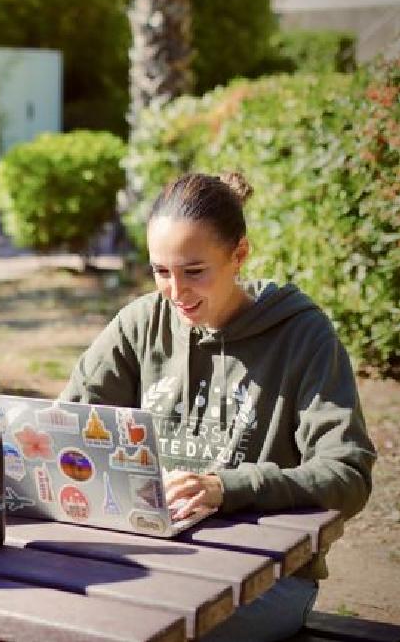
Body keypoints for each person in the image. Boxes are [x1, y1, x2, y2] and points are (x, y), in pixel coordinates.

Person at [61, 172, 376, 642]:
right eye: (161, 271)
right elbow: (66, 429)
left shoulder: (303, 335)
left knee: (135, 627)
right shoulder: (141, 324)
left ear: (239, 254)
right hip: (151, 556)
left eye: (194, 271)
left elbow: (347, 474)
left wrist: (226, 488)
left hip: (267, 577)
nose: (175, 292)